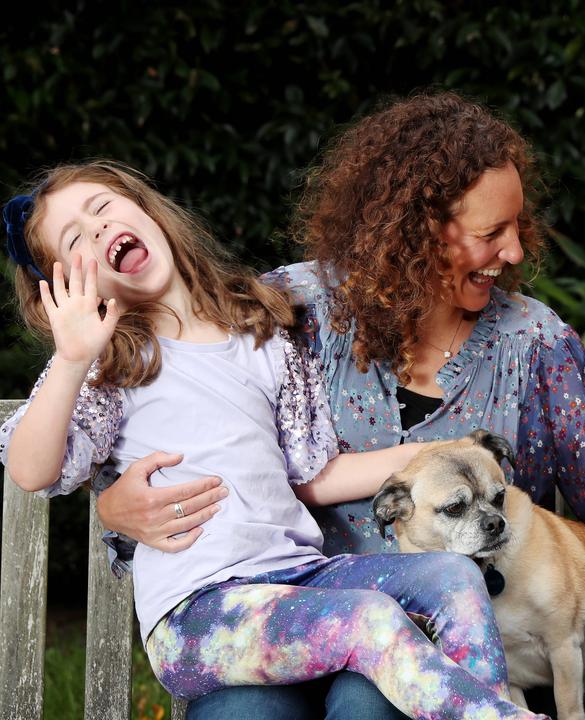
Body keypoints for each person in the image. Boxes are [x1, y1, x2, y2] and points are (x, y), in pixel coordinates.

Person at [92, 92, 585, 718]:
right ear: (417, 234)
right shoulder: (289, 312)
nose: (517, 251)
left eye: (518, 227)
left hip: (452, 649)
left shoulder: (534, 345)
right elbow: (172, 406)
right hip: (282, 619)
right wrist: (118, 508)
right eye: (492, 233)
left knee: (372, 704)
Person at [0, 161, 541, 719]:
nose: (97, 230)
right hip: (201, 613)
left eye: (103, 208)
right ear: (66, 287)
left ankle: (489, 706)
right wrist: (71, 356)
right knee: (372, 619)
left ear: (145, 208)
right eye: (75, 239)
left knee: (451, 575)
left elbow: (312, 475)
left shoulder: (257, 333)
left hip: (299, 579)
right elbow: (31, 469)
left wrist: (426, 456)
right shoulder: (109, 364)